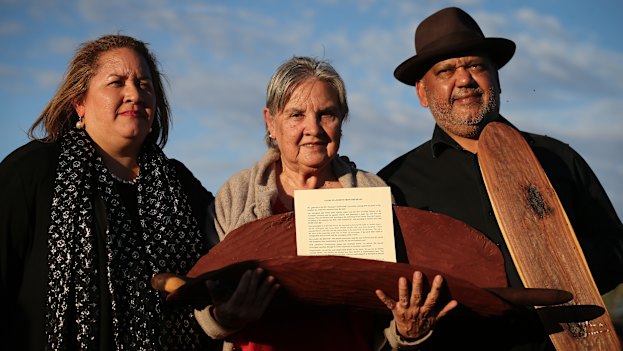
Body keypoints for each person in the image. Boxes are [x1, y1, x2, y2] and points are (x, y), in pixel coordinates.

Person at [378, 6, 623, 350]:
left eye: (475, 65)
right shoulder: (395, 184)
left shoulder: (558, 159)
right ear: (422, 92)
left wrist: (560, 264)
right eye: (446, 71)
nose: (464, 80)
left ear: (496, 75)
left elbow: (617, 250)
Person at [193, 56, 457, 351]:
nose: (313, 128)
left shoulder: (373, 192)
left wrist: (406, 331)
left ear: (342, 120)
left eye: (327, 114)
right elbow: (204, 296)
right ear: (271, 122)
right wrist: (225, 317)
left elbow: (394, 300)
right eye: (296, 115)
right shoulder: (235, 196)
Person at [0, 34, 221, 350]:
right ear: (80, 102)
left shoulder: (179, 184)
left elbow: (225, 256)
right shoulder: (33, 171)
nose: (134, 93)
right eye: (117, 82)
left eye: (144, 84)